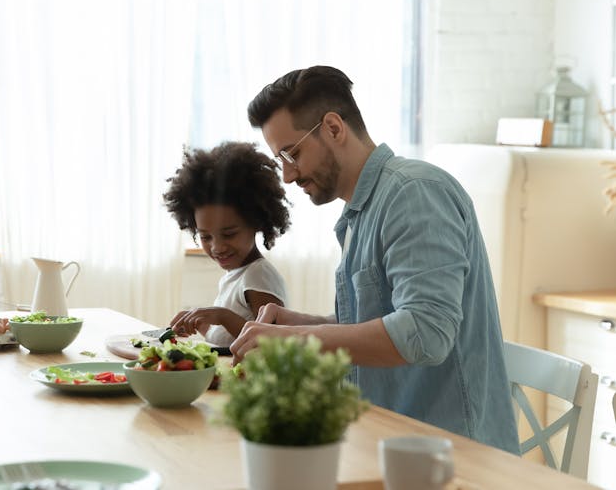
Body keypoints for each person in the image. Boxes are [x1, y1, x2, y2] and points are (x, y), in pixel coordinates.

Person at [230, 65, 520, 454]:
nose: (286, 174)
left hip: (452, 462)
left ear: (333, 128)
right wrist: (304, 323)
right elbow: (388, 320)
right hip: (388, 446)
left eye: (292, 153)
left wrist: (298, 340)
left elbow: (425, 332)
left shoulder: (414, 194)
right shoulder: (361, 213)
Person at [163, 141, 291, 347]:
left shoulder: (258, 276)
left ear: (256, 222)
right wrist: (200, 321)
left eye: (229, 234)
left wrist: (221, 315)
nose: (217, 247)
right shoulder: (237, 275)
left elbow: (271, 342)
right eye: (205, 237)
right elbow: (228, 339)